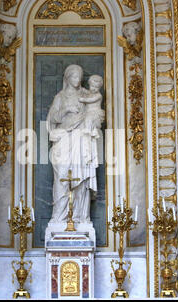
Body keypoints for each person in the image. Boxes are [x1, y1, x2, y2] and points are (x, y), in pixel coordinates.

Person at [46, 65, 101, 224]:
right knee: (62, 177)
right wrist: (66, 110)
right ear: (68, 78)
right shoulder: (60, 97)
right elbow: (52, 119)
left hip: (81, 139)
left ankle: (80, 217)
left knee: (81, 179)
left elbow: (95, 113)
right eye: (74, 77)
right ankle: (59, 217)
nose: (77, 80)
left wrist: (90, 123)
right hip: (63, 139)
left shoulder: (86, 94)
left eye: (80, 77)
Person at [78, 75, 105, 168]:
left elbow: (90, 100)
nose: (93, 89)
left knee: (88, 119)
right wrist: (80, 88)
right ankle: (86, 130)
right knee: (85, 119)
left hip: (94, 113)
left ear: (99, 87)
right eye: (92, 86)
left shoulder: (98, 95)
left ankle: (88, 130)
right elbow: (86, 92)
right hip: (88, 113)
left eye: (96, 87)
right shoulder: (89, 92)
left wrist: (82, 99)